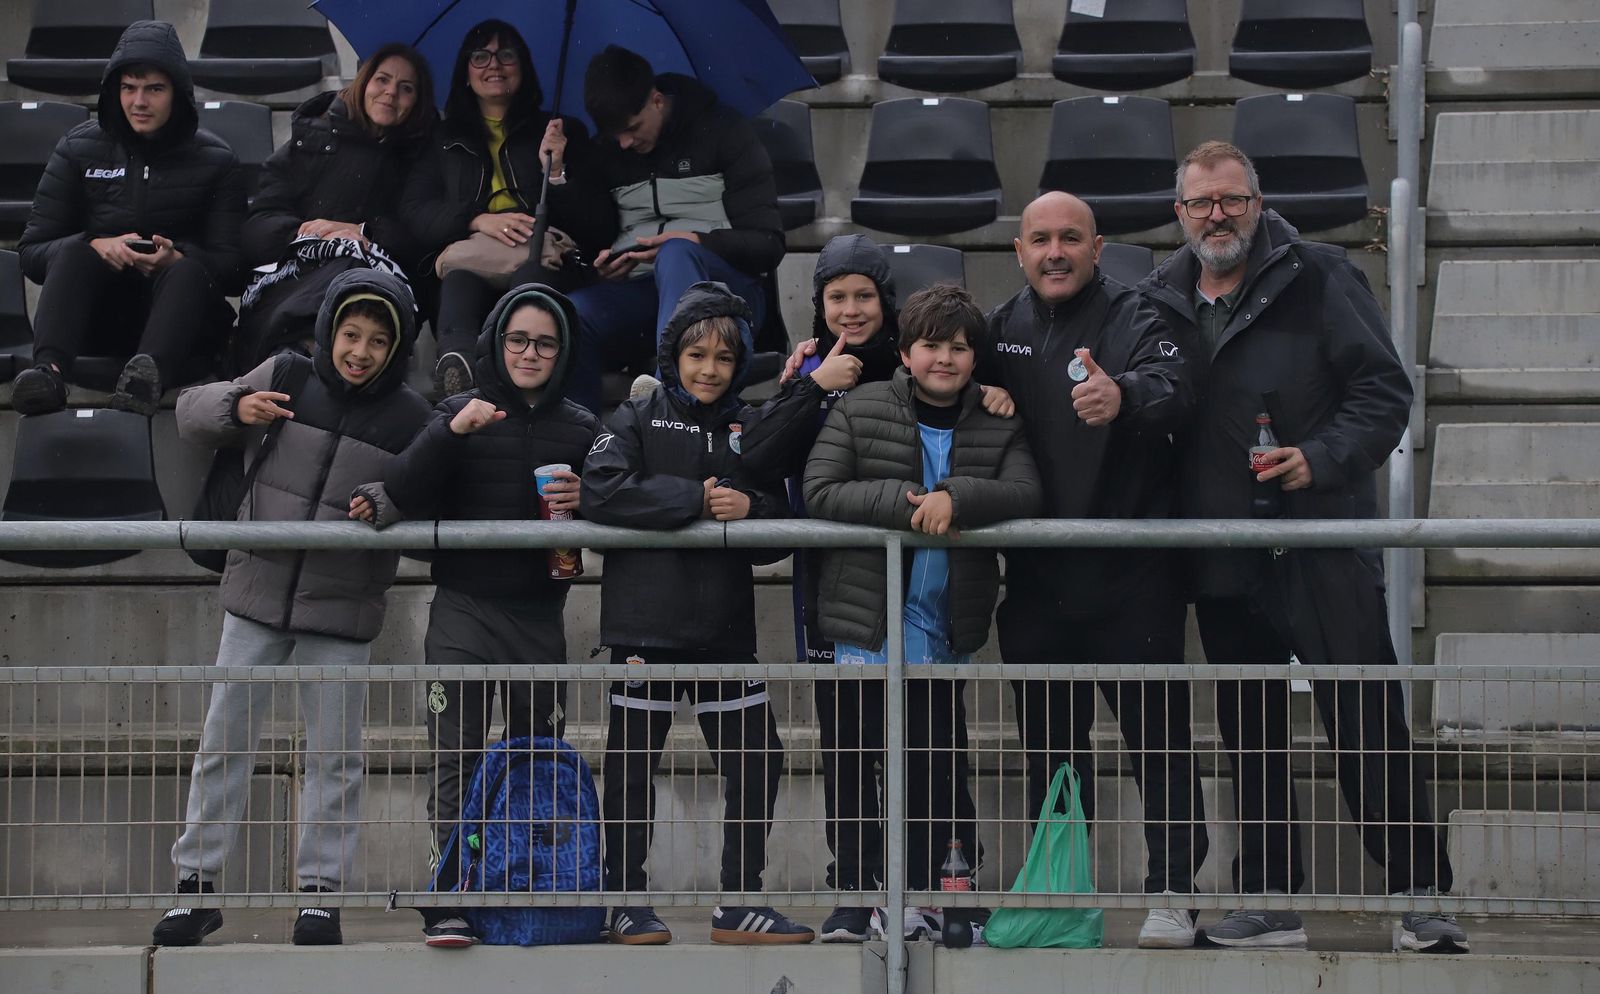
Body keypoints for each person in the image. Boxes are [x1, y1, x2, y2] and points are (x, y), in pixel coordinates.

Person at [1137, 140, 1468, 953]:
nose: (1218, 216)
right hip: (1223, 557)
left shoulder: (1318, 274)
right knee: (1250, 736)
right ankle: (1269, 900)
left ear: (1258, 200)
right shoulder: (1154, 297)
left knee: (1367, 723)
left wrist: (1318, 460)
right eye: (1201, 203)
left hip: (1321, 545)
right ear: (1179, 214)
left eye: (1232, 200)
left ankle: (1420, 899)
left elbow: (1384, 391)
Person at [152, 268, 431, 947]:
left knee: (336, 756)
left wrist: (392, 500)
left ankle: (320, 897)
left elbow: (431, 487)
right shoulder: (287, 373)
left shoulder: (410, 416)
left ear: (396, 349)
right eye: (350, 334)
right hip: (254, 598)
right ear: (330, 330)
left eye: (376, 341)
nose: (359, 352)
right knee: (224, 742)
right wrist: (235, 408)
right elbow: (190, 411)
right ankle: (195, 890)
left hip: (341, 610)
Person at [980, 191, 1210, 950]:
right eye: (1040, 239)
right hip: (1039, 587)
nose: (1055, 252)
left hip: (1132, 580)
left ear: (1097, 247)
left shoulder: (1136, 316)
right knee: (1053, 755)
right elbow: (926, 372)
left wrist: (1124, 394)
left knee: (1159, 744)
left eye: (1070, 239)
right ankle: (1060, 895)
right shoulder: (999, 329)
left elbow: (1177, 391)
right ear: (1018, 252)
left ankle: (1172, 893)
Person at [803, 283, 1041, 945]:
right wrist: (911, 504)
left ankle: (919, 899)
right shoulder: (863, 406)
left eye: (959, 348)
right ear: (905, 353)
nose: (945, 359)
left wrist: (956, 498)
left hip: (947, 624)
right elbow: (821, 489)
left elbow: (1026, 488)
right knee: (867, 759)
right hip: (871, 618)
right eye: (931, 345)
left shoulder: (998, 418)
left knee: (931, 764)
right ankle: (868, 899)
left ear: (975, 358)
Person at [579, 281, 810, 946]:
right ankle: (625, 901)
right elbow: (601, 492)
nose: (709, 369)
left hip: (725, 634)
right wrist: (695, 501)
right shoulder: (637, 416)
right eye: (696, 355)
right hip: (643, 632)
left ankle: (740, 903)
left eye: (724, 359)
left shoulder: (751, 428)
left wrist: (754, 512)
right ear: (672, 356)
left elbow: (782, 528)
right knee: (628, 772)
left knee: (758, 759)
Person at [381, 283, 598, 948]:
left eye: (545, 342)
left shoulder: (583, 426)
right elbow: (402, 490)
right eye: (519, 339)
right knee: (456, 757)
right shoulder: (457, 408)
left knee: (536, 760)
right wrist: (452, 430)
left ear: (562, 352)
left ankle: (531, 881)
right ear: (497, 343)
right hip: (462, 616)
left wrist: (589, 496)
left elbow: (624, 502)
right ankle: (448, 894)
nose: (531, 353)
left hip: (539, 615)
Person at [12, 19, 244, 417]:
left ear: (177, 94)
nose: (139, 101)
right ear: (114, 91)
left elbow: (235, 268)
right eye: (129, 88)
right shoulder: (77, 148)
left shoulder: (216, 160)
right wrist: (94, 244)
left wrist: (177, 257)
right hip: (101, 321)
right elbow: (32, 253)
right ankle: (48, 374)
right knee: (74, 252)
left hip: (183, 326)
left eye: (154, 89)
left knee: (187, 269)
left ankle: (146, 378)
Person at [402, 20, 615, 398]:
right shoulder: (443, 138)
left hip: (544, 262)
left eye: (506, 55)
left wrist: (559, 171)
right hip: (473, 256)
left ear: (524, 67)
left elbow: (600, 224)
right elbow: (416, 210)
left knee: (529, 279)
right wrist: (475, 219)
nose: (494, 65)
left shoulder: (563, 132)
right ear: (465, 73)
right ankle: (458, 374)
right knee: (460, 280)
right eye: (480, 56)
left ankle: (521, 381)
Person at [567, 44, 784, 413]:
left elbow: (768, 242)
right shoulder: (607, 150)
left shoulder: (723, 129)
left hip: (731, 295)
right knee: (572, 313)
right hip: (644, 292)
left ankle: (672, 401)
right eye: (615, 133)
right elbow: (590, 234)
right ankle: (581, 440)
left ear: (656, 100)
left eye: (632, 128)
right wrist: (600, 268)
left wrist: (696, 241)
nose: (624, 142)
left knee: (676, 252)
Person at [235, 42, 437, 367]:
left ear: (417, 101)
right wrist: (316, 238)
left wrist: (361, 233)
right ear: (363, 82)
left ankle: (306, 357)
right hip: (296, 277)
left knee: (351, 274)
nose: (390, 93)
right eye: (382, 80)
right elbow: (258, 228)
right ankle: (294, 357)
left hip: (376, 288)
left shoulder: (423, 158)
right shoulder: (310, 140)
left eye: (406, 88)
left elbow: (424, 233)